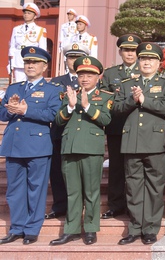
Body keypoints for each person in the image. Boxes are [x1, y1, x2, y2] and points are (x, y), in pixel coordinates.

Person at [113, 42, 165, 245]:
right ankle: (134, 228)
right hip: (132, 141)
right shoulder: (126, 84)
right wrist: (133, 99)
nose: (146, 62)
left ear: (159, 62)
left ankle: (150, 228)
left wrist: (144, 100)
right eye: (143, 58)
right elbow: (116, 108)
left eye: (151, 59)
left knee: (155, 187)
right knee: (133, 186)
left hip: (156, 142)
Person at [50, 56, 113, 246]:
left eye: (89, 75)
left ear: (98, 77)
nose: (85, 78)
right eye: (81, 75)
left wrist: (86, 106)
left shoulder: (105, 96)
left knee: (91, 192)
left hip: (91, 149)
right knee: (72, 191)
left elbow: (106, 120)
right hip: (69, 147)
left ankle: (91, 228)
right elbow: (59, 121)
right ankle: (72, 230)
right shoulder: (69, 95)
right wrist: (70, 105)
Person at [0, 47, 60, 245]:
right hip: (14, 144)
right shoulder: (13, 88)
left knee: (36, 189)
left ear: (44, 66)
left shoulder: (52, 89)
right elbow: (2, 114)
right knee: (15, 190)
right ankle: (17, 228)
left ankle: (32, 229)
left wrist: (26, 110)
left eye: (35, 63)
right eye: (27, 62)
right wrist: (11, 110)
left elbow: (53, 115)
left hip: (38, 145)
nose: (30, 66)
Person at [46, 42, 91, 221]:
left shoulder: (90, 79)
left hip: (82, 133)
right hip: (60, 131)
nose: (73, 60)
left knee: (81, 175)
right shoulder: (57, 82)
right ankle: (59, 206)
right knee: (57, 171)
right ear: (65, 60)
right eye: (71, 57)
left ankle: (82, 208)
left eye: (77, 57)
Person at [99, 34, 141, 219]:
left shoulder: (145, 71)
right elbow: (106, 99)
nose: (130, 54)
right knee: (116, 167)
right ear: (120, 51)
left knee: (135, 168)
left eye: (133, 50)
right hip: (116, 126)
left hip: (138, 127)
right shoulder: (110, 73)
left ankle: (135, 207)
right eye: (126, 50)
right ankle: (116, 205)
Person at [8, 3, 48, 83]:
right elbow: (12, 47)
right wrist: (10, 63)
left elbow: (43, 49)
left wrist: (41, 63)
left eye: (29, 13)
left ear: (35, 16)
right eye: (25, 13)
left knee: (32, 83)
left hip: (32, 61)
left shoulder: (40, 30)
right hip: (18, 61)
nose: (26, 15)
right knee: (19, 84)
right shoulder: (16, 29)